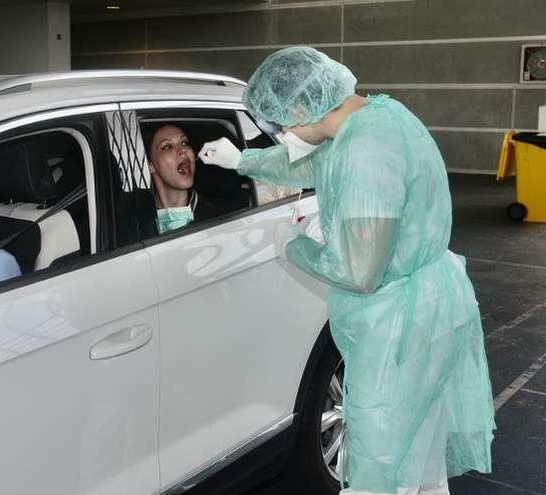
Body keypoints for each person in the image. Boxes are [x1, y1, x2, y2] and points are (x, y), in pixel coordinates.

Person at [199, 47, 494, 494]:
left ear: (303, 106)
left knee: (380, 457)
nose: (282, 136)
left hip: (401, 325)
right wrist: (241, 160)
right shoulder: (379, 117)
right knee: (415, 452)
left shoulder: (363, 153)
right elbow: (316, 161)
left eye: (281, 125)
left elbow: (358, 272)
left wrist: (293, 246)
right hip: (429, 304)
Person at [142, 123, 229, 235]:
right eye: (167, 147)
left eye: (184, 143)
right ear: (150, 165)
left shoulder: (219, 219)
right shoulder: (132, 221)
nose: (183, 150)